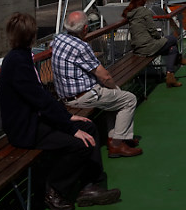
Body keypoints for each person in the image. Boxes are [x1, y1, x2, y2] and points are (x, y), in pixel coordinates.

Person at [0, 12, 121, 210]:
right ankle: (54, 190)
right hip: (25, 130)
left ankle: (91, 185)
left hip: (36, 122)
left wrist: (68, 118)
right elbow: (39, 100)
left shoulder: (20, 58)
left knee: (88, 127)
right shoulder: (18, 62)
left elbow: (41, 99)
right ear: (32, 36)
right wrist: (70, 127)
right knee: (79, 143)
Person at [51, 11, 143, 158]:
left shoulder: (58, 39)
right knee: (129, 99)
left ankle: (117, 137)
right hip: (83, 97)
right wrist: (115, 88)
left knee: (115, 98)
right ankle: (117, 144)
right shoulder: (81, 47)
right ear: (86, 28)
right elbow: (104, 76)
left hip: (66, 96)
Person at [123, 0, 186, 88]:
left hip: (137, 48)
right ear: (144, 0)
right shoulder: (145, 12)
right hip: (147, 47)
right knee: (173, 39)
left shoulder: (131, 13)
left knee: (173, 49)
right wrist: (159, 38)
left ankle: (171, 76)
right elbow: (152, 30)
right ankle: (177, 61)